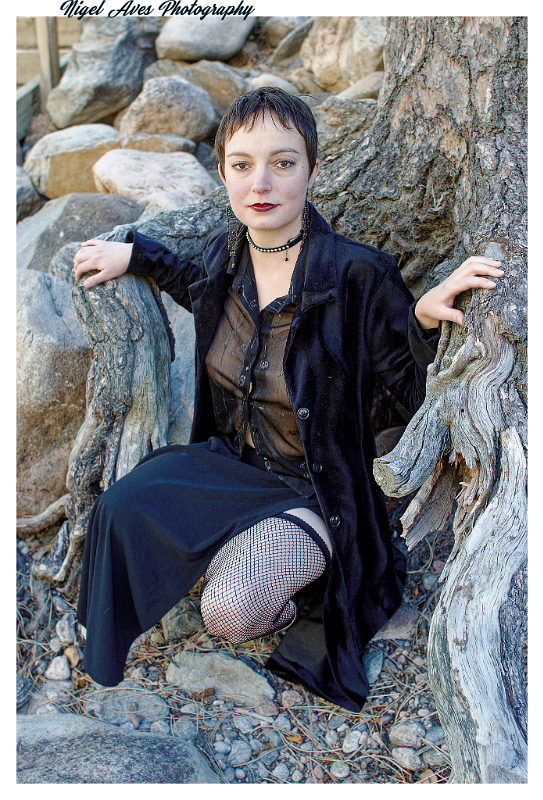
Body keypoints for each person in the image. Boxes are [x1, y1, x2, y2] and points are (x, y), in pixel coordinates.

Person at [74, 88, 503, 711]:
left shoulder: (357, 274)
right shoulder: (226, 257)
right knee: (120, 507)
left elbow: (410, 394)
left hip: (319, 489)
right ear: (223, 173)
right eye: (242, 164)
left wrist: (420, 321)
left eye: (283, 162)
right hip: (236, 469)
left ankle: (306, 586)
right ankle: (232, 554)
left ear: (313, 170)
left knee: (230, 611)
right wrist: (137, 255)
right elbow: (194, 285)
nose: (262, 183)